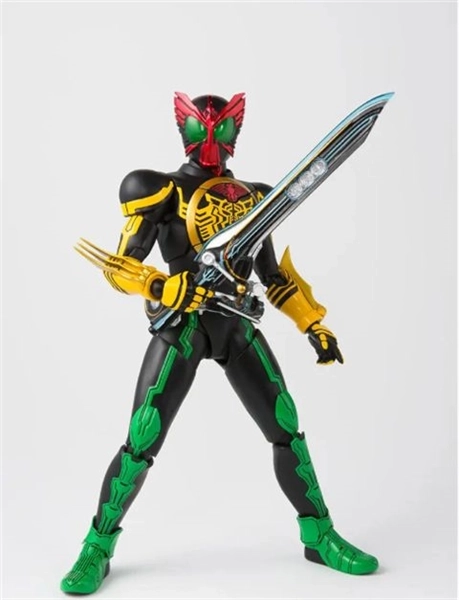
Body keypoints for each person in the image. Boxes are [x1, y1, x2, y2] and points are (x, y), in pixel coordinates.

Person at [61, 92, 378, 595]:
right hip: (182, 327)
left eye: (222, 127)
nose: (210, 136)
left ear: (236, 130)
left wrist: (312, 324)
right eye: (200, 127)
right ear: (183, 128)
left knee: (286, 429)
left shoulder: (257, 199)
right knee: (142, 440)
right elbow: (121, 267)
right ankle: (97, 547)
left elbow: (274, 278)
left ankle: (319, 536)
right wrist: (160, 286)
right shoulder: (160, 189)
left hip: (235, 327)